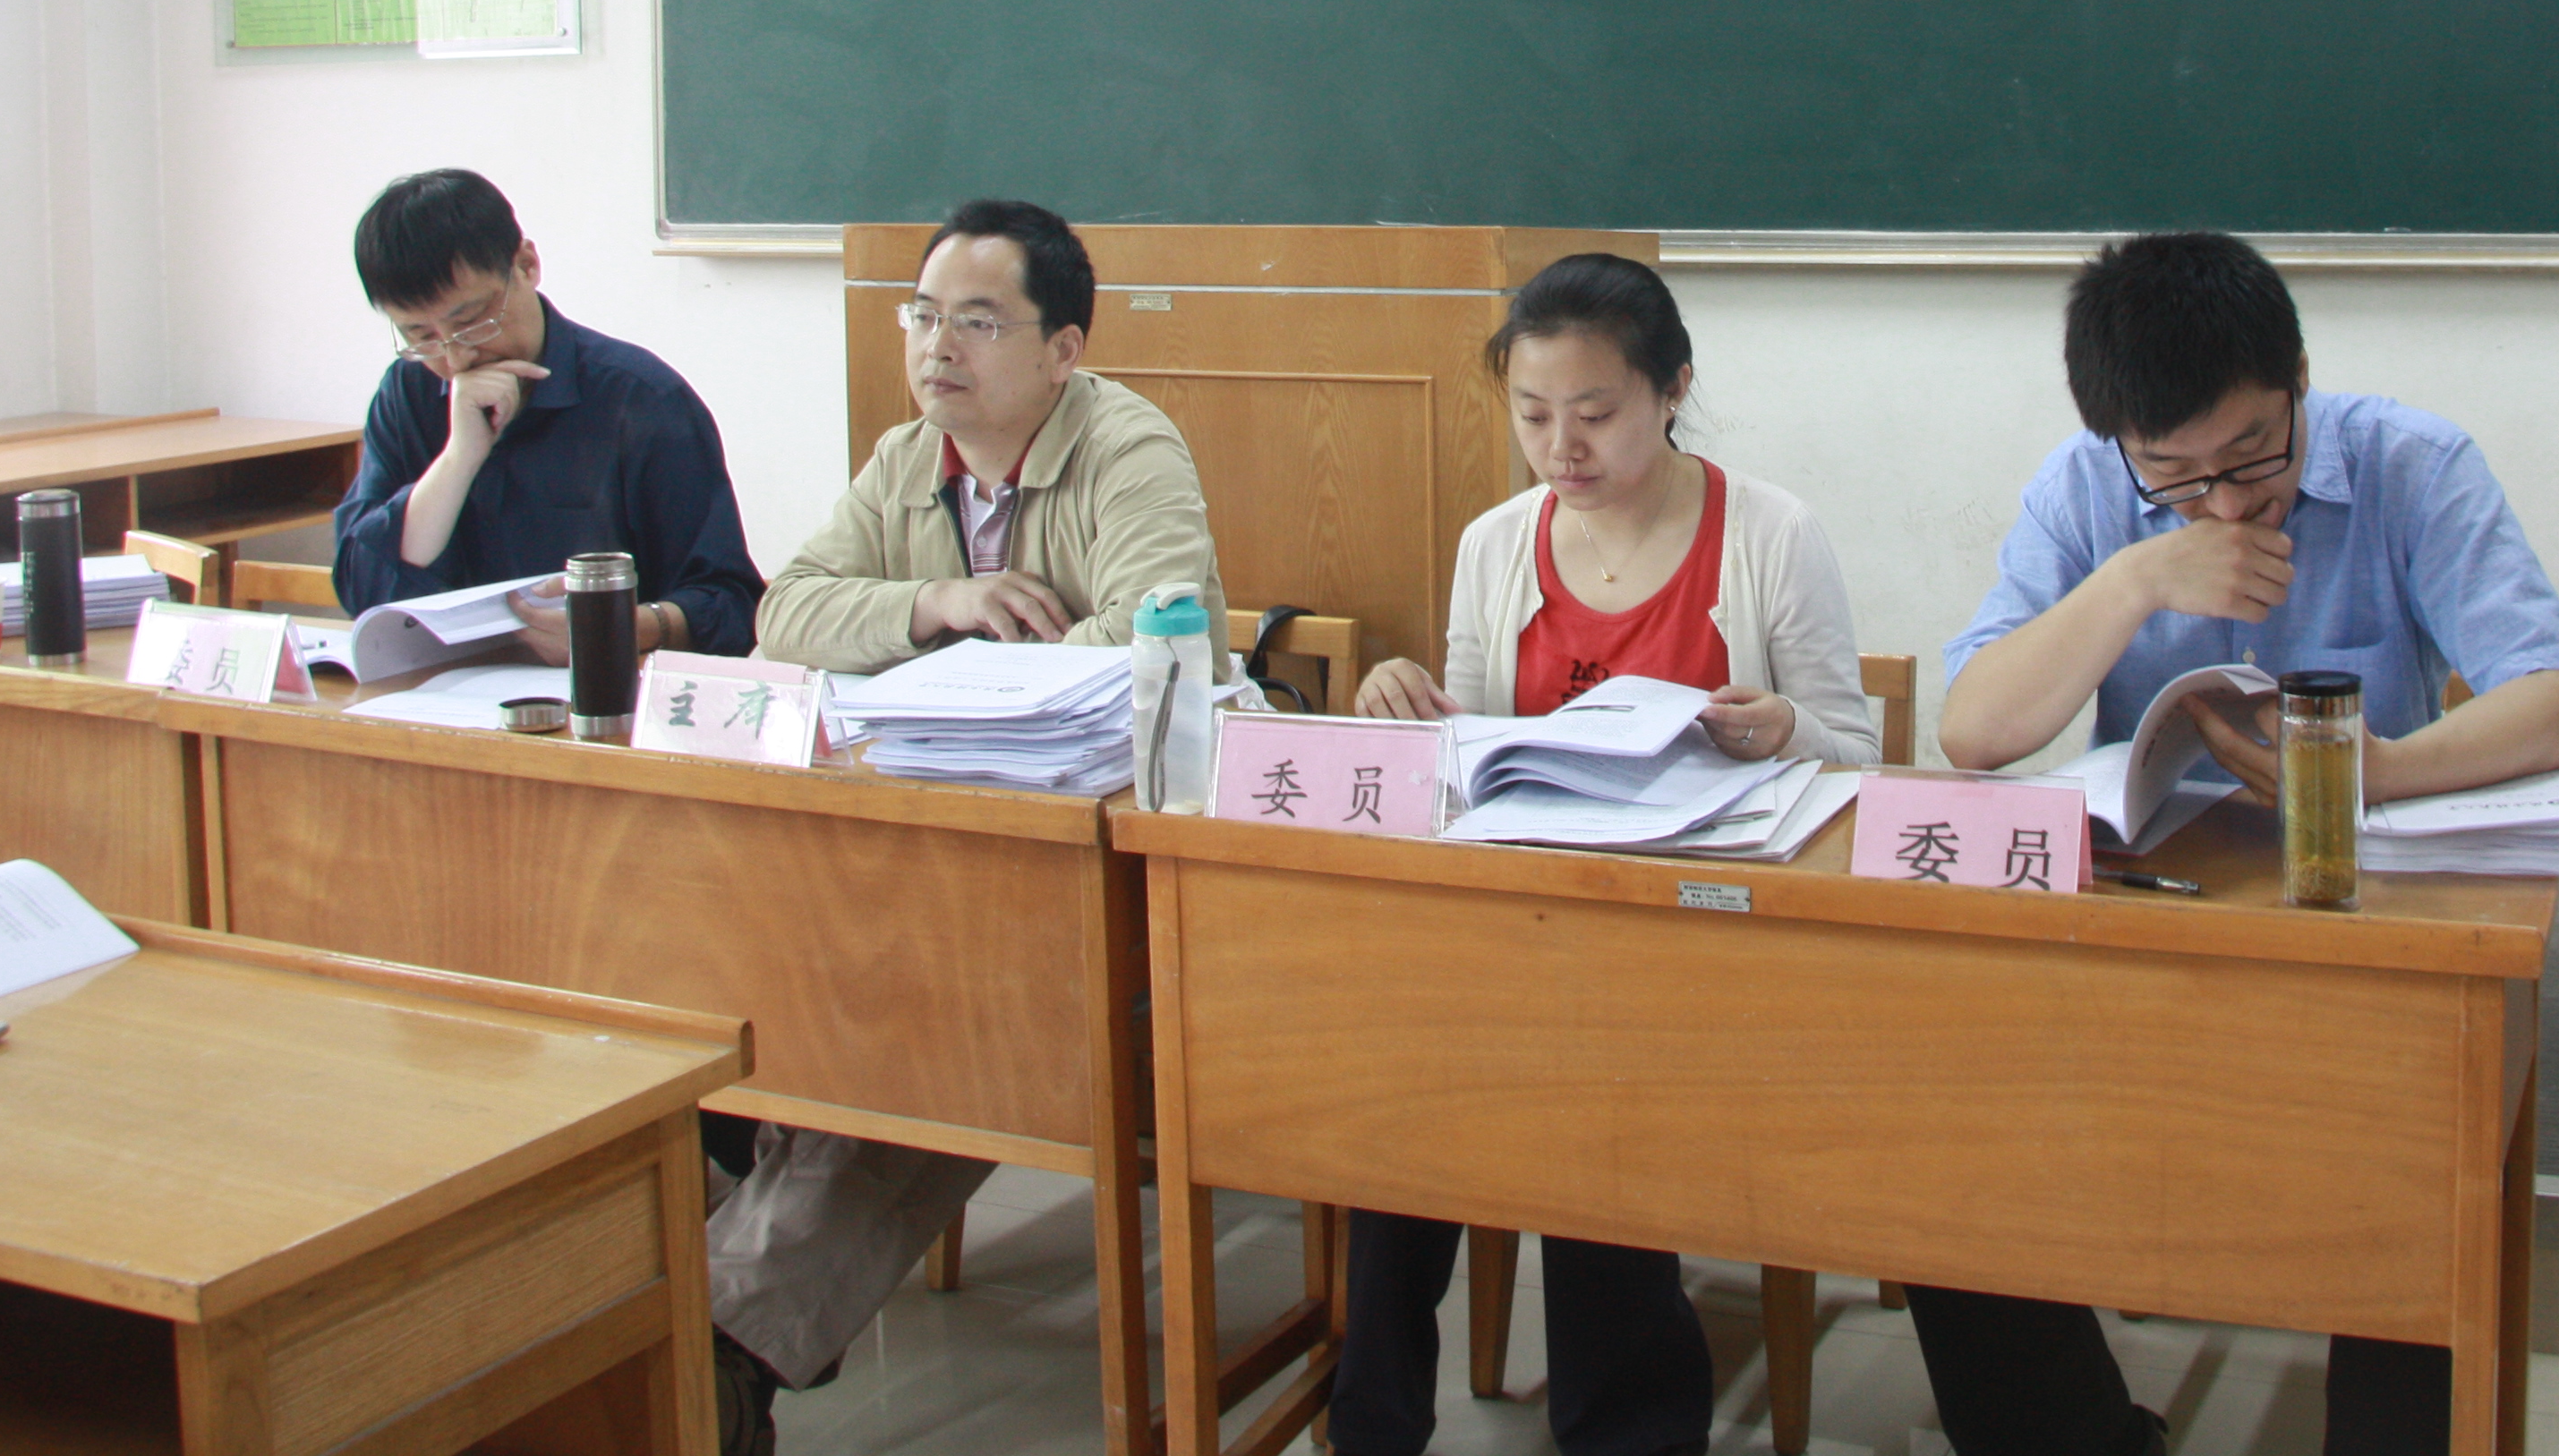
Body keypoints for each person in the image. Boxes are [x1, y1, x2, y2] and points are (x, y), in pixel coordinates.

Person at [1924, 229, 2559, 1456]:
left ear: (2298, 379)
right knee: (1940, 1158)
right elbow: (1974, 730)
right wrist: (2137, 578)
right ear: (2120, 442)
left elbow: (2557, 704)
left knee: (2418, 1188)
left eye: (2252, 455)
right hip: (2146, 930)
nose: (2229, 504)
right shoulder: (2085, 491)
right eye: (2177, 475)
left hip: (2356, 934)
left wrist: (2378, 770)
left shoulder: (2413, 464)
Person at [712, 199, 1224, 1455]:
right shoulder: (909, 458)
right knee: (786, 972)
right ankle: (714, 1302)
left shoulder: (1129, 447)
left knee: (936, 1017)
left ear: (1063, 349)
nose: (938, 346)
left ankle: (726, 1335)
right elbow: (787, 613)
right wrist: (940, 600)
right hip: (921, 850)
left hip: (1094, 871)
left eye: (979, 322)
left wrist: (956, 669)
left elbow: (1156, 634)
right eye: (924, 316)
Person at [1343, 251, 1876, 1456]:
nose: (1560, 447)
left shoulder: (1771, 534)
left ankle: (1628, 1428)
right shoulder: (1497, 543)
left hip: (1703, 932)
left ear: (1672, 388)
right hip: (1526, 927)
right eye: (1533, 414)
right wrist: (1404, 705)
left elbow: (1857, 752)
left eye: (1594, 413)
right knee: (1393, 1092)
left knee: (1590, 1083)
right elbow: (1469, 756)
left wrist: (1786, 727)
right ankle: (1372, 1423)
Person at [332, 168, 759, 658]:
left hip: (600, 688)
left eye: (471, 322)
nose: (455, 359)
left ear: (526, 265)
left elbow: (731, 606)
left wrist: (617, 630)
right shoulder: (408, 392)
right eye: (420, 336)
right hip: (442, 689)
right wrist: (459, 459)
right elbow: (360, 589)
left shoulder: (641, 399)